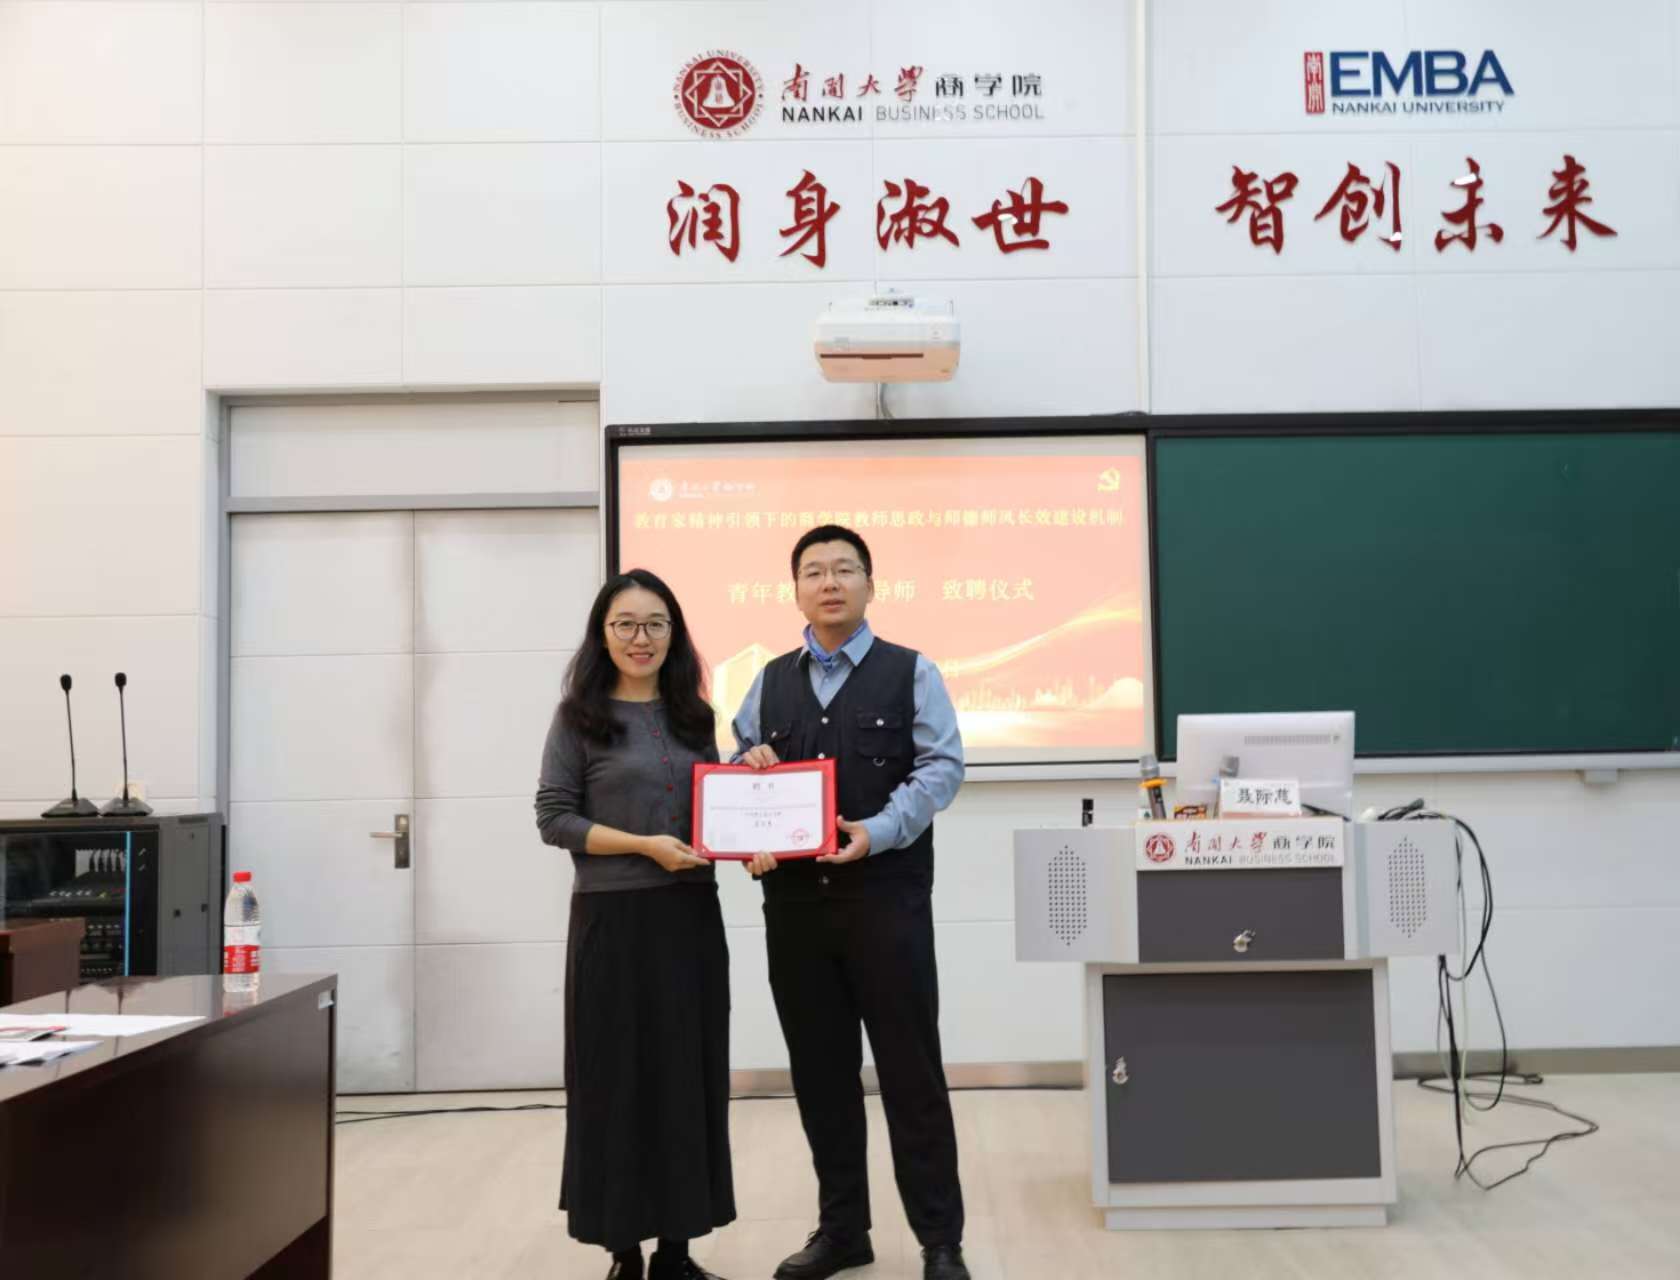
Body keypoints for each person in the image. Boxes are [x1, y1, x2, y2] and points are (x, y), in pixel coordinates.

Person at [732, 526, 970, 1280]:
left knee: (911, 1074)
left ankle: (940, 1241)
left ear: (871, 584)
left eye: (844, 569)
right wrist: (748, 800)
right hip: (796, 911)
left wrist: (880, 830)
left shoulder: (913, 672)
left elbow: (942, 768)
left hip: (886, 904)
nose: (829, 582)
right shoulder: (768, 680)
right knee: (821, 1075)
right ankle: (843, 1233)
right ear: (796, 590)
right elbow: (737, 773)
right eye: (814, 571)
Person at [536, 569, 733, 1280]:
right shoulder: (578, 718)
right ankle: (624, 1250)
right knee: (613, 1081)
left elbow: (718, 813)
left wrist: (756, 802)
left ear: (674, 634)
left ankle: (677, 1253)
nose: (640, 637)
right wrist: (646, 846)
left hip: (690, 919)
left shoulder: (696, 717)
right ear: (603, 634)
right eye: (625, 624)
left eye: (655, 624)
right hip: (612, 923)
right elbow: (554, 818)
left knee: (688, 1078)